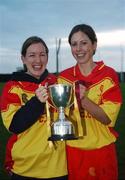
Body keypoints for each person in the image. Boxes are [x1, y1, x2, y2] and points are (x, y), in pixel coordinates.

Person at [58, 24, 122, 180]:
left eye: (84, 43)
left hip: (102, 152)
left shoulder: (108, 75)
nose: (79, 48)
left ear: (94, 45)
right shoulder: (63, 78)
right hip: (73, 151)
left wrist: (83, 100)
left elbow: (107, 118)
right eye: (74, 44)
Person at [1, 36, 68, 180]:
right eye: (32, 55)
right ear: (23, 59)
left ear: (47, 57)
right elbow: (14, 126)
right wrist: (37, 102)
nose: (38, 60)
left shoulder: (57, 83)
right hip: (25, 169)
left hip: (58, 169)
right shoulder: (13, 87)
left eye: (42, 54)